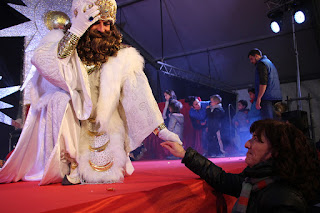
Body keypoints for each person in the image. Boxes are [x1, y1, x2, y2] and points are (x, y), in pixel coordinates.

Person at [0, 0, 181, 185]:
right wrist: (76, 32)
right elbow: (44, 62)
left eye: (107, 23)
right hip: (72, 120)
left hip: (107, 125)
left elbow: (139, 94)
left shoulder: (122, 56)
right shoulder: (60, 43)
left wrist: (162, 131)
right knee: (60, 99)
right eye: (96, 22)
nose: (102, 29)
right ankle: (71, 164)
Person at [161, 119, 320, 212]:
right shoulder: (255, 182)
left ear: (276, 151)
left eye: (257, 140)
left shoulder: (282, 199)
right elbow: (222, 178)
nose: (246, 144)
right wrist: (184, 154)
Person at [248, 48, 282, 119]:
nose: (251, 61)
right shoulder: (269, 63)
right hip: (274, 97)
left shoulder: (261, 64)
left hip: (266, 97)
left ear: (257, 56)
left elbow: (263, 82)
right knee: (274, 121)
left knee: (268, 122)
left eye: (251, 59)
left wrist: (259, 98)